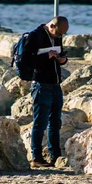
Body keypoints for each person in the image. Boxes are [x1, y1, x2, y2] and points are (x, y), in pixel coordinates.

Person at [24, 16, 69, 168]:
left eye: (62, 35)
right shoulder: (35, 35)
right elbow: (26, 61)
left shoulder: (57, 35)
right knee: (40, 122)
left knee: (55, 122)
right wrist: (45, 56)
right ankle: (36, 158)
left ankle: (55, 156)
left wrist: (63, 60)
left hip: (56, 85)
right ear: (51, 26)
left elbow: (60, 54)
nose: (60, 37)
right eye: (58, 34)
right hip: (41, 84)